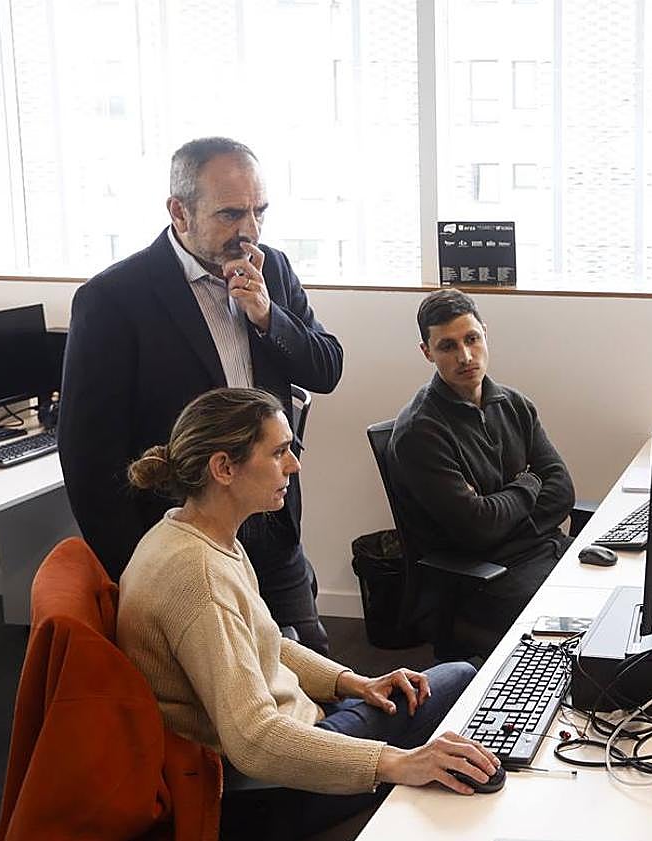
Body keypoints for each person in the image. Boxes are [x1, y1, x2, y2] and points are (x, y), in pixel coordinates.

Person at [116, 387, 498, 840]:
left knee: (447, 689)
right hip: (266, 789)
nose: (294, 466)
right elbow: (255, 740)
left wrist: (354, 682)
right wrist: (399, 763)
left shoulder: (195, 534)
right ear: (223, 468)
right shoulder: (199, 578)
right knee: (459, 679)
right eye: (279, 453)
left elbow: (264, 642)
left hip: (286, 744)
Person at [58, 136, 343, 654]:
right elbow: (87, 458)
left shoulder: (271, 269)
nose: (250, 231)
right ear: (179, 212)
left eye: (259, 212)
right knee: (227, 709)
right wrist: (140, 569)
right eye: (231, 214)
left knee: (317, 673)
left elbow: (327, 367)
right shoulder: (112, 300)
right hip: (183, 544)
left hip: (272, 523)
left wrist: (267, 316)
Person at [388, 289, 575, 653]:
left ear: (485, 334)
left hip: (542, 553)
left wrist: (501, 511)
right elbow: (478, 529)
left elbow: (563, 490)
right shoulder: (419, 432)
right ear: (427, 352)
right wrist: (529, 483)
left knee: (620, 593)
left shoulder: (516, 405)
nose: (465, 356)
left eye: (472, 339)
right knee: (579, 622)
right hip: (478, 581)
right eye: (447, 346)